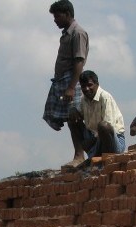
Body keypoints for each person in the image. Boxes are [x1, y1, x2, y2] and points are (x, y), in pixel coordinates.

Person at [42, 0, 90, 169]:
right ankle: (80, 154)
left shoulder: (78, 33)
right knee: (69, 119)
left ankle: (81, 155)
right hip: (63, 79)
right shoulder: (67, 33)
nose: (55, 20)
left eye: (57, 16)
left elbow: (79, 61)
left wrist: (71, 87)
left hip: (72, 80)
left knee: (75, 117)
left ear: (68, 14)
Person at [68, 70, 127, 163]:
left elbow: (108, 126)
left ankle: (102, 158)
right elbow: (78, 116)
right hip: (94, 140)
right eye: (83, 86)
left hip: (113, 141)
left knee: (104, 126)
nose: (87, 89)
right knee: (72, 120)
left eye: (89, 85)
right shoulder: (84, 99)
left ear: (97, 84)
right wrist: (73, 110)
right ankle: (79, 157)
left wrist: (91, 141)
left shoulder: (105, 97)